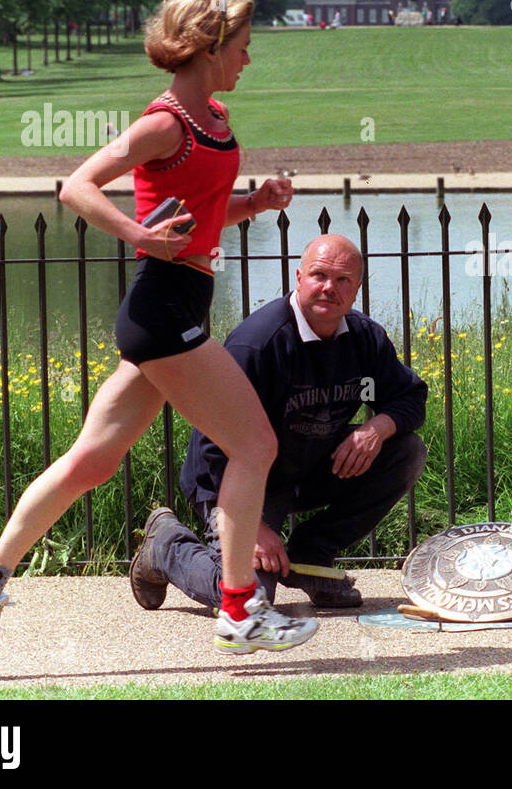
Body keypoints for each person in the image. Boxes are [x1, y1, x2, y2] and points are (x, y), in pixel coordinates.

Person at [0, 0, 319, 662]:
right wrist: (138, 235)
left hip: (171, 308)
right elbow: (77, 186)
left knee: (93, 459)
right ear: (208, 49)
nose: (247, 60)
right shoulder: (166, 122)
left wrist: (253, 202)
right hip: (162, 312)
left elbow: (197, 218)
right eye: (240, 49)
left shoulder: (213, 116)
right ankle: (239, 609)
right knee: (256, 446)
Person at [128, 235, 428, 612]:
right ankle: (166, 545)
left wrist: (377, 427)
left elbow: (410, 397)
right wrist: (252, 526)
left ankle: (311, 557)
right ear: (299, 277)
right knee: (246, 597)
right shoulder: (258, 344)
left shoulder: (365, 337)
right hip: (234, 484)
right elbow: (211, 447)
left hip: (305, 469)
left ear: (357, 290)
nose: (328, 288)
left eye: (342, 280)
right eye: (319, 275)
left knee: (407, 451)